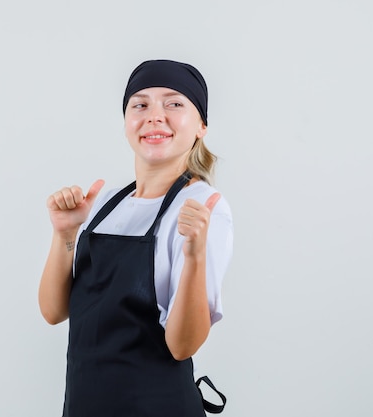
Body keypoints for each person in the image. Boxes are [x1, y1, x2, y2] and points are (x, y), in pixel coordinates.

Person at [38, 59, 233, 417]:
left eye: (174, 103)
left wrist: (195, 257)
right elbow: (54, 311)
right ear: (127, 122)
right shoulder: (105, 204)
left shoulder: (204, 208)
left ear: (201, 125)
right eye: (140, 104)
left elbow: (182, 346)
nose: (154, 116)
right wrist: (65, 234)